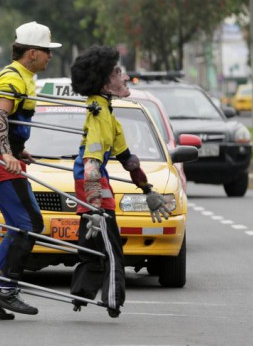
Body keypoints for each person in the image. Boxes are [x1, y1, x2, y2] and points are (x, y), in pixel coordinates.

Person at [69, 45, 171, 318]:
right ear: (104, 83)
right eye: (117, 72)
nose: (124, 77)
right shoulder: (100, 116)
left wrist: (148, 189)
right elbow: (91, 164)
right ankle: (113, 300)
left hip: (93, 189)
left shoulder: (106, 113)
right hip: (95, 191)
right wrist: (93, 207)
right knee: (113, 251)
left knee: (92, 248)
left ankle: (80, 293)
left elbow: (128, 159)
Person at [0, 21, 60, 319]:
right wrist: (7, 153)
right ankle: (3, 288)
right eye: (47, 52)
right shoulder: (11, 78)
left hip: (5, 160)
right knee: (25, 225)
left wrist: (19, 150)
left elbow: (13, 124)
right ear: (32, 53)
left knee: (29, 223)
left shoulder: (25, 77)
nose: (50, 57)